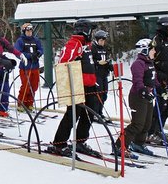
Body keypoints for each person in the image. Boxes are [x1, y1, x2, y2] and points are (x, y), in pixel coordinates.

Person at [49, 19, 102, 158]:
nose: (92, 33)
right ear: (85, 30)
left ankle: (80, 141)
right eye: (91, 30)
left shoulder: (87, 45)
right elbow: (63, 63)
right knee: (72, 114)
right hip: (77, 85)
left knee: (90, 113)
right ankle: (59, 144)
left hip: (89, 85)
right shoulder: (75, 43)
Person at [114, 39, 156, 156]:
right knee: (137, 124)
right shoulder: (138, 64)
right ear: (145, 50)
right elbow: (138, 81)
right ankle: (119, 146)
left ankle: (138, 143)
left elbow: (153, 79)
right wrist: (144, 91)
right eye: (152, 49)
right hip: (138, 97)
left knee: (147, 123)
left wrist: (162, 86)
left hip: (148, 96)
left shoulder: (149, 62)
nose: (154, 51)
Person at [147, 16, 168, 145]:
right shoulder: (156, 41)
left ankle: (158, 129)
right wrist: (159, 75)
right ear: (166, 27)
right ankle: (150, 132)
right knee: (161, 105)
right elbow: (150, 60)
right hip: (160, 80)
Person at [0, 23, 25, 117]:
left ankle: (3, 109)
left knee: (5, 88)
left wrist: (19, 54)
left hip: (2, 67)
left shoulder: (1, 40)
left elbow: (11, 48)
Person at [15, 22, 43, 112]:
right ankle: (21, 103)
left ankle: (29, 103)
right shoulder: (20, 40)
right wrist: (28, 56)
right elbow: (17, 52)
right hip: (25, 67)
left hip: (35, 66)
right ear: (24, 31)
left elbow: (41, 49)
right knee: (26, 86)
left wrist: (38, 53)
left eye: (31, 30)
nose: (29, 32)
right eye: (27, 30)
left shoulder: (36, 40)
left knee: (34, 86)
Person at [91, 30, 113, 122]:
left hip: (104, 74)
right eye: (101, 40)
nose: (103, 42)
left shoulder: (104, 49)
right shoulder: (93, 48)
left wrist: (110, 65)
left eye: (104, 40)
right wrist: (97, 63)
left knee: (104, 94)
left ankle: (100, 112)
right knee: (98, 94)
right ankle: (95, 113)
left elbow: (107, 59)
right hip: (97, 74)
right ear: (97, 40)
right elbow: (90, 61)